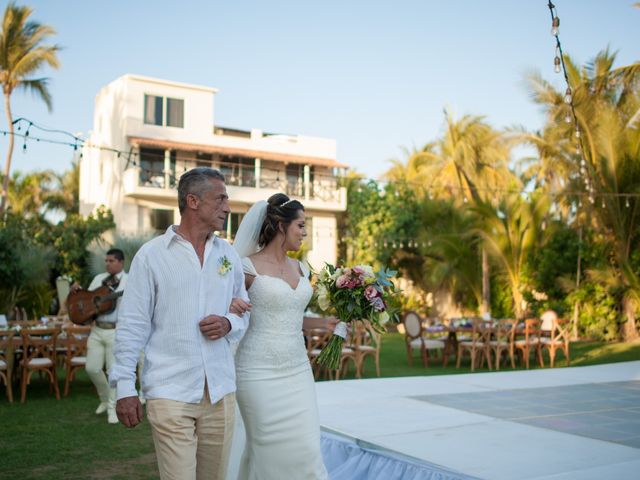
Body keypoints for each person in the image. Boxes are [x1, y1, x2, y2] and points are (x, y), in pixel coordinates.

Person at [109, 167, 250, 480]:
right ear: (193, 202)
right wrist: (123, 387)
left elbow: (243, 309)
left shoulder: (228, 254)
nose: (227, 207)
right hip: (169, 391)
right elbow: (132, 325)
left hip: (220, 392)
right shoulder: (151, 256)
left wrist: (228, 323)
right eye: (221, 199)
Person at [231, 193, 333, 479]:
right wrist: (230, 307)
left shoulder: (302, 269)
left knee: (308, 449)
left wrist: (327, 322)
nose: (304, 233)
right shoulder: (245, 267)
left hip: (298, 371)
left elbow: (294, 317)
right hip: (256, 372)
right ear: (280, 226)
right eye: (300, 226)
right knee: (267, 451)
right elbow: (226, 307)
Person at [77, 248, 127, 424]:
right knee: (92, 368)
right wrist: (78, 293)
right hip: (97, 330)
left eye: (111, 261)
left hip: (116, 331)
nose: (107, 263)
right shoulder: (98, 279)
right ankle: (105, 400)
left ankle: (112, 408)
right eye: (106, 260)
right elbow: (89, 299)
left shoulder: (129, 282)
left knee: (113, 371)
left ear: (121, 262)